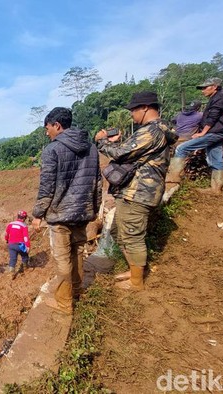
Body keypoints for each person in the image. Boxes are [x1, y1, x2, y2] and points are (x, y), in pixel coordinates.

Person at [95, 92, 175, 291]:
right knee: (119, 231)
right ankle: (134, 270)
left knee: (132, 236)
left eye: (133, 110)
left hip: (138, 191)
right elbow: (131, 152)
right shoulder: (154, 131)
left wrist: (103, 141)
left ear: (146, 108)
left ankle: (137, 282)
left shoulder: (152, 131)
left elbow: (121, 153)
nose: (131, 114)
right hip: (135, 190)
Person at [32, 107, 101, 314]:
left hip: (60, 214)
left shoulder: (52, 150)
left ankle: (64, 303)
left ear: (57, 126)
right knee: (78, 252)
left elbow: (47, 187)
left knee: (62, 259)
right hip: (82, 212)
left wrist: (38, 215)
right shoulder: (91, 147)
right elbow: (97, 182)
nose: (47, 133)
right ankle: (78, 290)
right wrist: (94, 209)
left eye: (47, 128)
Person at [166, 77, 223, 195]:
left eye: (205, 88)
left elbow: (213, 116)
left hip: (214, 132)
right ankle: (216, 189)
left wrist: (203, 132)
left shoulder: (219, 97)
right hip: (218, 132)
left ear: (215, 87)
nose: (203, 90)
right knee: (216, 159)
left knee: (181, 148)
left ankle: (172, 180)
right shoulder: (220, 97)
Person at [4, 210, 30, 279]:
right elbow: (25, 237)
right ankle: (25, 268)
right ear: (24, 218)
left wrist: (7, 240)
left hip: (11, 244)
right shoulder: (24, 226)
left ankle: (11, 273)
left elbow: (6, 234)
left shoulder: (10, 224)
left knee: (13, 259)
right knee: (25, 256)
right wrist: (27, 246)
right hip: (20, 245)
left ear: (17, 216)